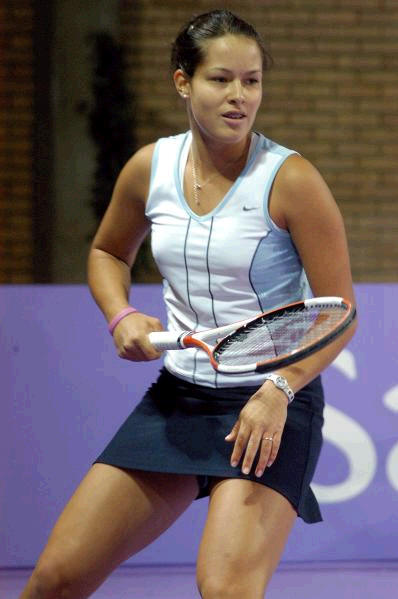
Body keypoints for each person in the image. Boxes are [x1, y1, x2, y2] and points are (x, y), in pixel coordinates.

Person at [20, 9, 357, 599]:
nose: (239, 96)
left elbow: (340, 311)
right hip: (179, 398)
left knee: (226, 590)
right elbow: (107, 252)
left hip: (270, 402)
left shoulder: (293, 180)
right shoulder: (150, 167)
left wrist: (280, 391)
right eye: (220, 79)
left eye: (251, 81)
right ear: (183, 82)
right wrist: (120, 314)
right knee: (56, 580)